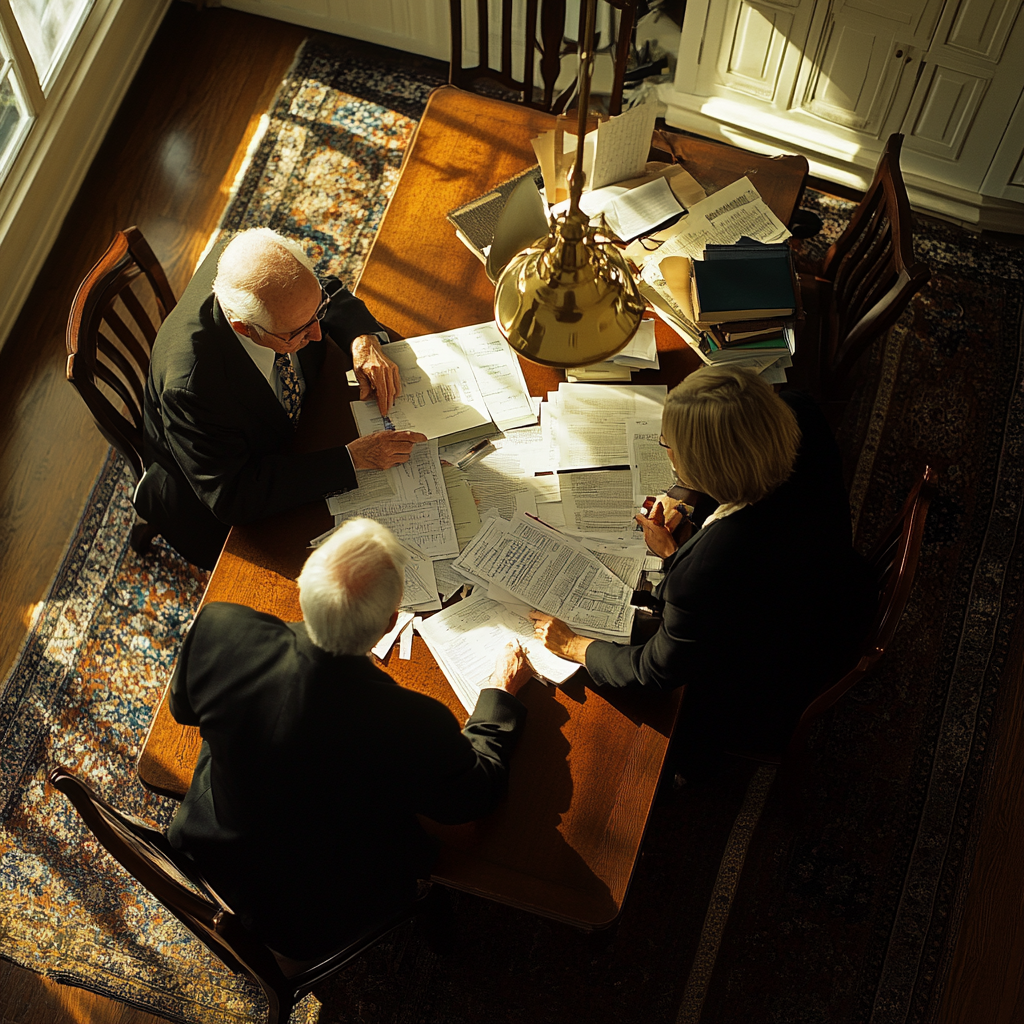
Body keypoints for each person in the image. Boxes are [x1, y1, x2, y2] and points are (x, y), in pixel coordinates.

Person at [167, 517, 531, 960]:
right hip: (316, 908)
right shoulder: (410, 721)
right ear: (390, 623)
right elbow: (473, 798)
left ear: (302, 583)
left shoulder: (220, 627)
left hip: (213, 841)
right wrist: (498, 695)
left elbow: (182, 710)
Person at [530, 365, 875, 765]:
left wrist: (575, 645)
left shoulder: (707, 568)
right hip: (836, 588)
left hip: (776, 674)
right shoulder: (799, 411)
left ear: (707, 466)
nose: (670, 454)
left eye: (669, 446)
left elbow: (655, 670)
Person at [139, 228, 426, 568]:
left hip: (305, 420)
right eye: (298, 333)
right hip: (235, 490)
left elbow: (324, 292)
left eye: (316, 314)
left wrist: (361, 339)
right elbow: (233, 494)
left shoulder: (255, 264)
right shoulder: (192, 388)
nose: (318, 333)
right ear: (245, 328)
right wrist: (350, 460)